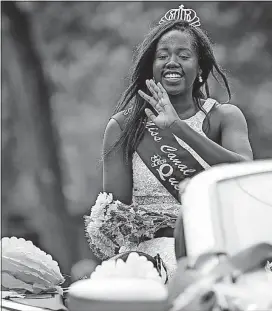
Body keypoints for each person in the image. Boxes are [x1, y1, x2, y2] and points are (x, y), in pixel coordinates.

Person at [87, 5, 253, 281]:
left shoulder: (224, 117)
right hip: (147, 259)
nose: (172, 61)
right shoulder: (122, 127)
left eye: (184, 55)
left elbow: (244, 171)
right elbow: (117, 211)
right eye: (162, 55)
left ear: (200, 68)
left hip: (211, 250)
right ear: (151, 67)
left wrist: (178, 128)